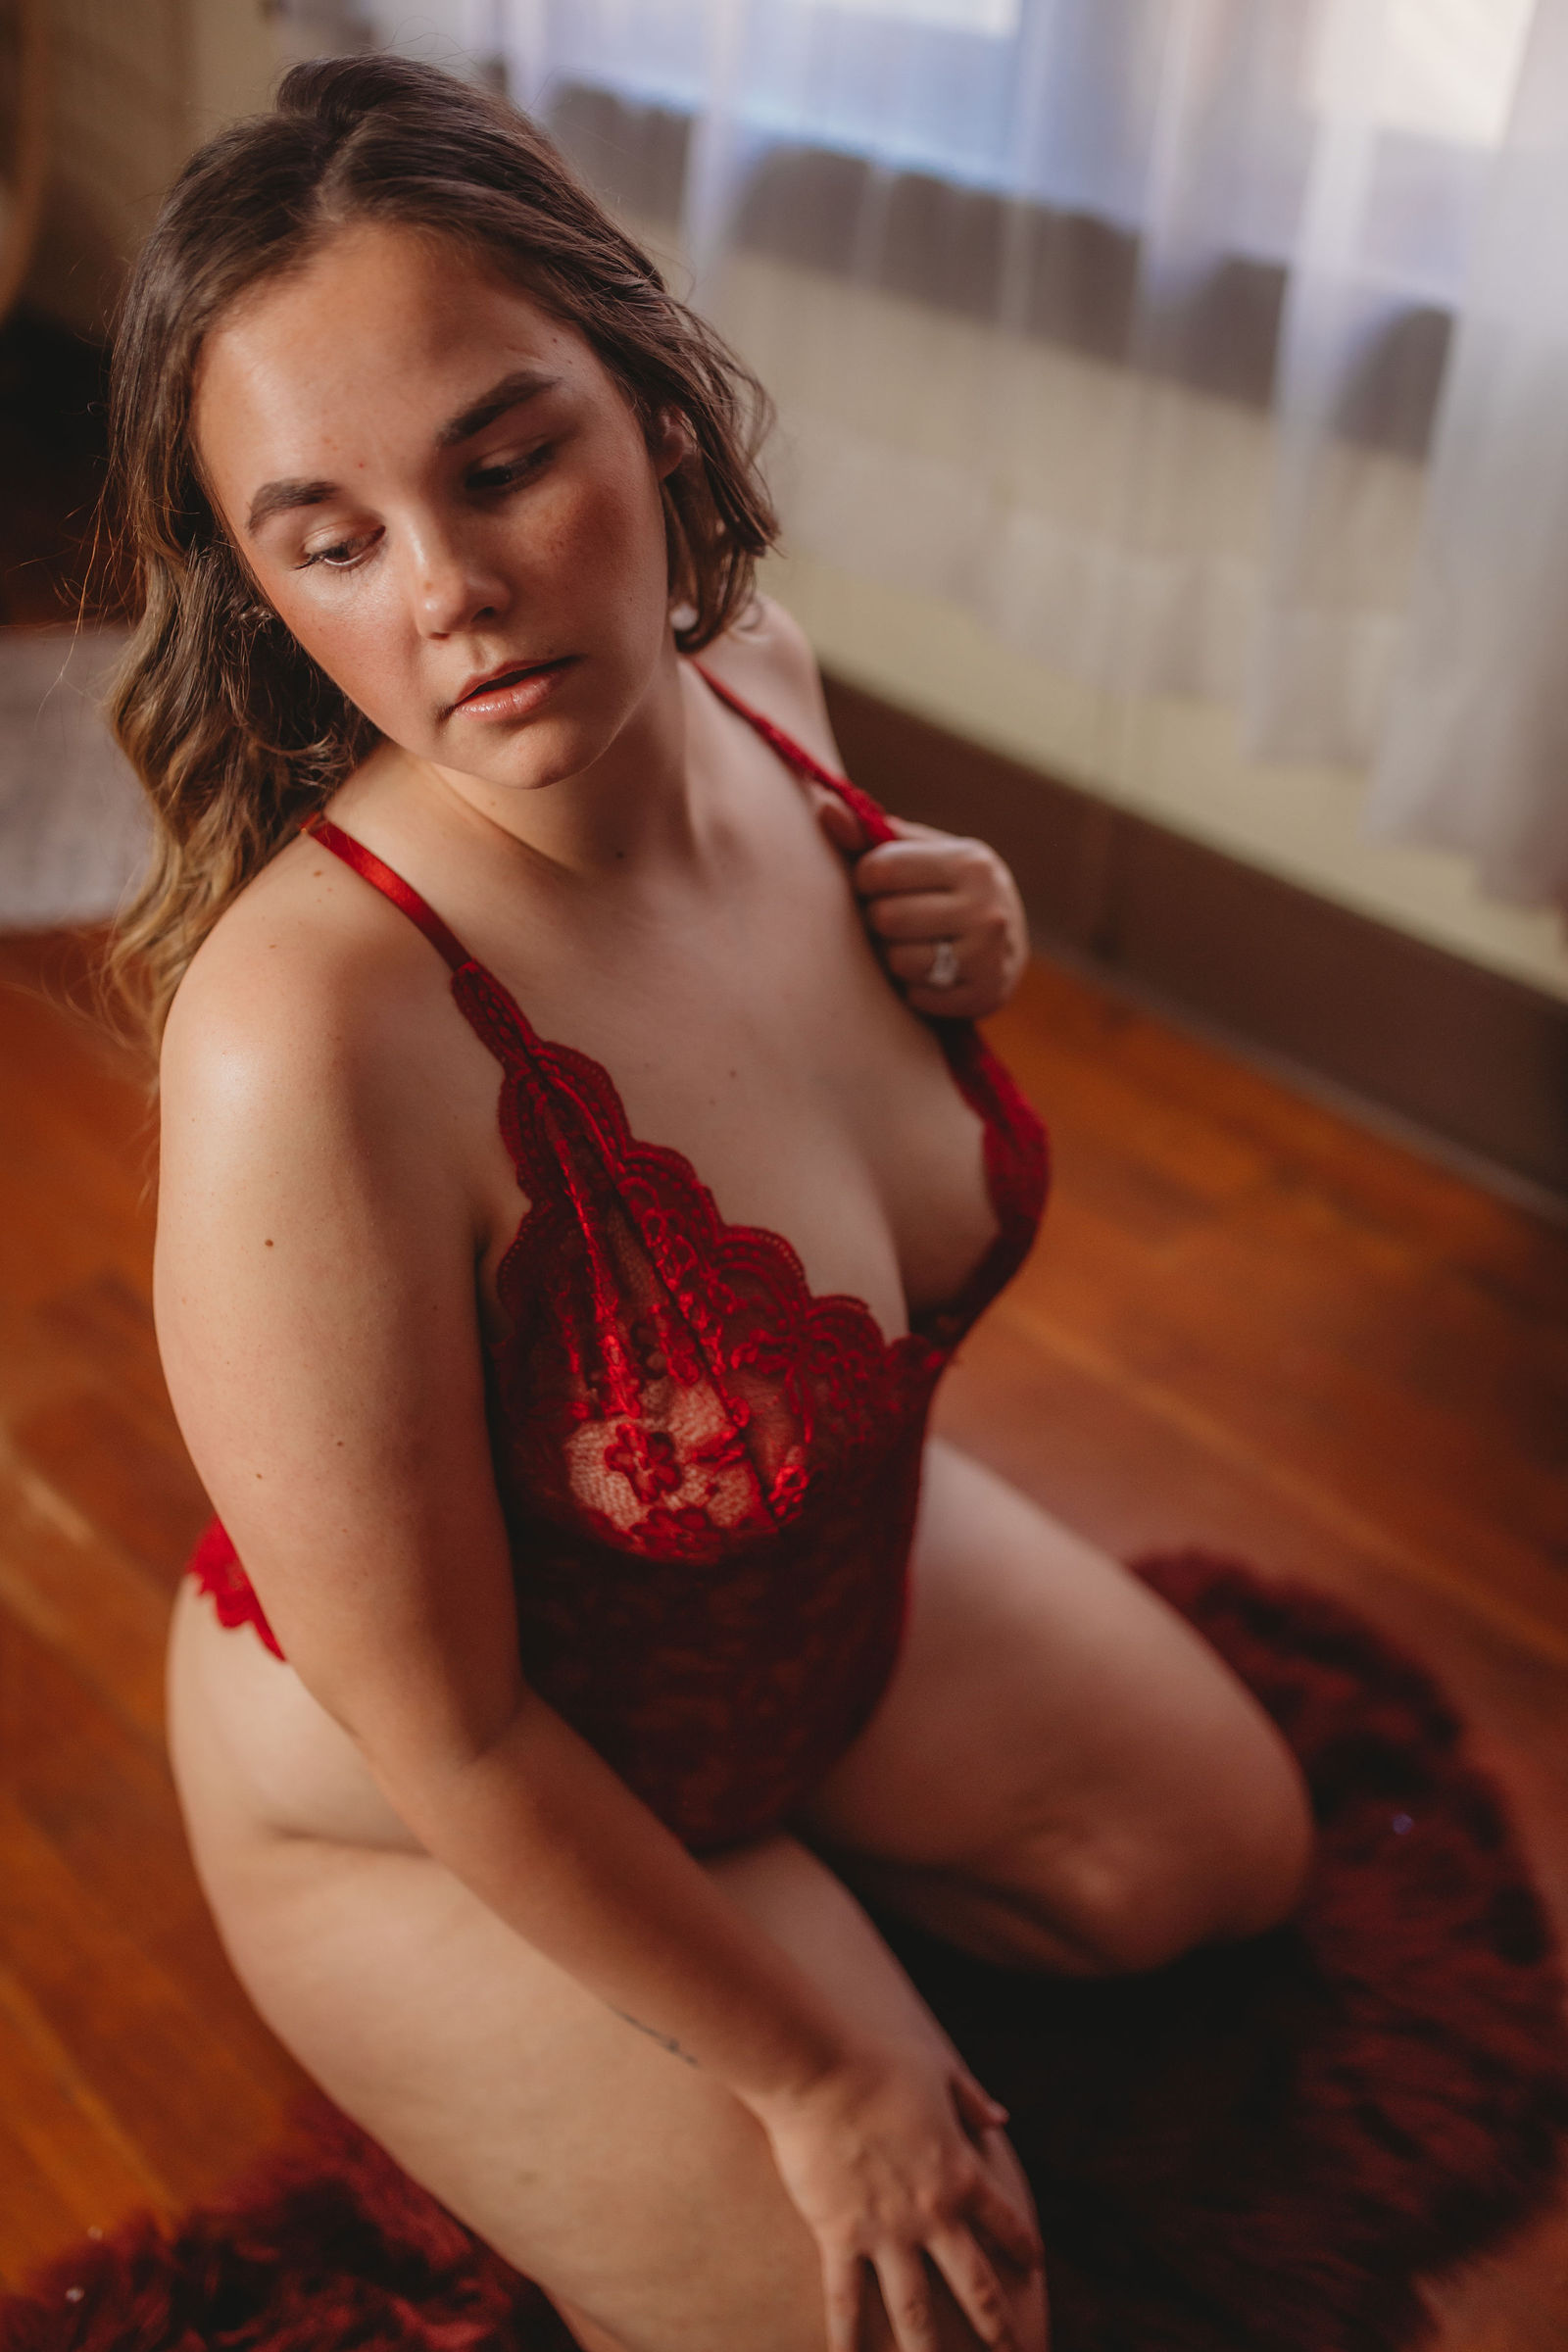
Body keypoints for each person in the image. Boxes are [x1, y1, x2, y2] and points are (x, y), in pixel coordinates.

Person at [112, 55, 1313, 2352]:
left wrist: (971, 939)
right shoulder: (305, 1040)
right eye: (330, 538)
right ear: (258, 589)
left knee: (1213, 1865)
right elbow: (446, 1727)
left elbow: (794, 1076)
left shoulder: (759, 688)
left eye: (503, 461)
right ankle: (606, 1982)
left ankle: (781, 1868)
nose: (454, 591)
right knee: (947, 2320)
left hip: (795, 1603)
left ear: (651, 403)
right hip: (433, 1784)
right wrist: (815, 2068)